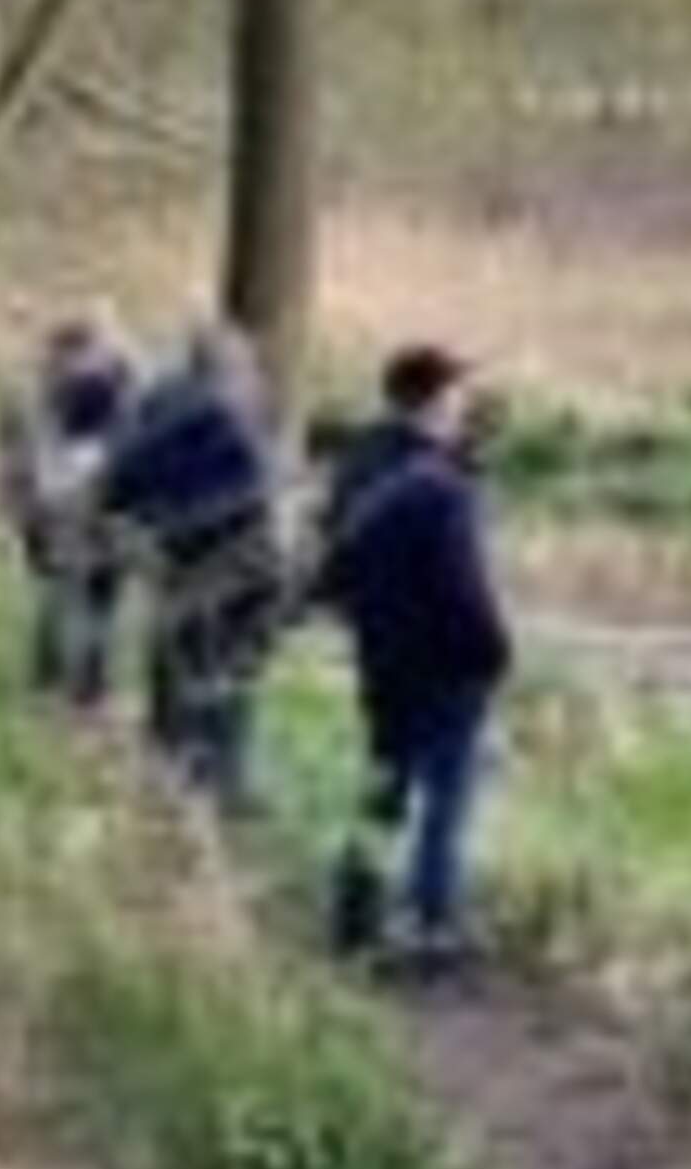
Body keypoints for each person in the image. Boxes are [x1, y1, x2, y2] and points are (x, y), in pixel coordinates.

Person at [312, 346, 515, 972]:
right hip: (445, 665)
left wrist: (368, 625)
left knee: (383, 788)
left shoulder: (359, 463)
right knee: (448, 800)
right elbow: (463, 587)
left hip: (381, 656)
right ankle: (434, 926)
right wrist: (495, 652)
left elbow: (331, 569)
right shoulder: (442, 484)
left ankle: (354, 917)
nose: (466, 407)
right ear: (433, 401)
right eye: (458, 394)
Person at [102, 322, 289, 810]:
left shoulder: (158, 410)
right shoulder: (227, 419)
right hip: (228, 564)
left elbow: (117, 483)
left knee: (178, 659)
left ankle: (173, 764)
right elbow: (259, 501)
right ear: (231, 370)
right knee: (226, 670)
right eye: (249, 369)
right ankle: (218, 779)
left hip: (174, 559)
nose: (255, 379)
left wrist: (151, 524)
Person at [0, 312, 138, 708]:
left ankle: (74, 685)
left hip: (75, 510)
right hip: (70, 509)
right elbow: (24, 462)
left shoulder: (98, 390)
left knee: (86, 596)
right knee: (78, 597)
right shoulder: (51, 399)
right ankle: (70, 685)